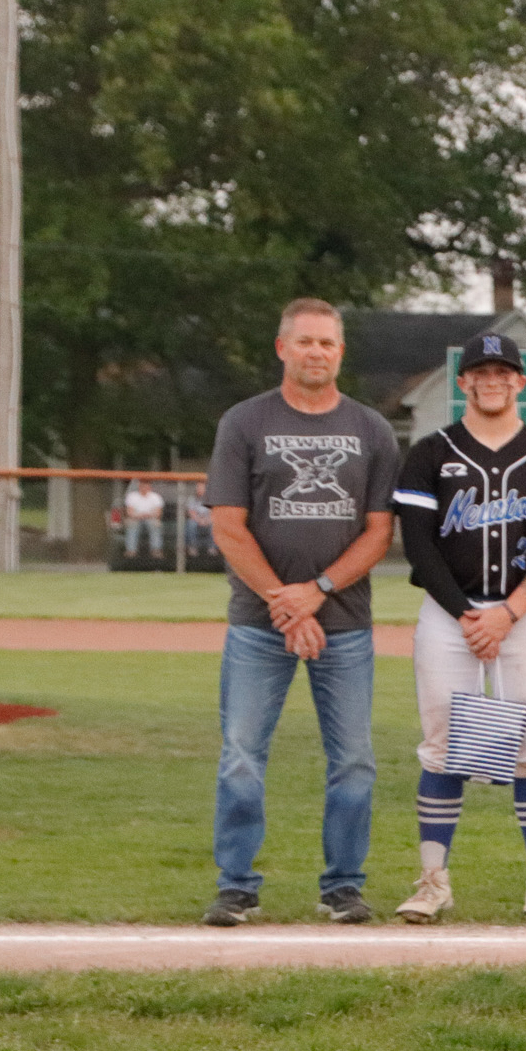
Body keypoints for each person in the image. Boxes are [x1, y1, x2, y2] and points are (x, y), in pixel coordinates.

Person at [200, 298, 400, 927]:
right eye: (306, 341)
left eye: (327, 343)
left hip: (344, 623)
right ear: (282, 348)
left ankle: (342, 886)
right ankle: (237, 886)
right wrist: (284, 604)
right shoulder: (244, 421)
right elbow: (229, 527)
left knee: (354, 761)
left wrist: (317, 590)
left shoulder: (372, 429)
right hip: (258, 624)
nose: (317, 352)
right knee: (240, 755)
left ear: (340, 352)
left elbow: (379, 532)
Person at [392, 332, 526, 924]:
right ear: (464, 381)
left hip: (524, 618)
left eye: (504, 371)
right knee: (442, 746)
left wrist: (508, 613)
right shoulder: (431, 451)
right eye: (481, 371)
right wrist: (466, 614)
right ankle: (433, 882)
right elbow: (418, 546)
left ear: (520, 381)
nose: (492, 380)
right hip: (449, 615)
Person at [122, 478, 166, 559]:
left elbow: (158, 513)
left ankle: (156, 550)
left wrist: (147, 515)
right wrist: (140, 515)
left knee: (155, 524)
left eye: (146, 485)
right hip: (135, 518)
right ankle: (131, 551)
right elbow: (129, 513)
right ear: (139, 486)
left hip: (151, 517)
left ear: (149, 487)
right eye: (142, 485)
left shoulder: (155, 497)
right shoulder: (132, 496)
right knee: (132, 524)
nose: (144, 487)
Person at [185, 483, 215, 558]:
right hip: (196, 520)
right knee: (191, 524)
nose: (200, 490)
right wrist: (199, 520)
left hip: (208, 520)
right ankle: (193, 547)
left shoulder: (211, 499)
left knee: (214, 525)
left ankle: (212, 548)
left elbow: (213, 513)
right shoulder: (192, 499)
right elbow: (191, 513)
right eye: (198, 488)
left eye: (202, 488)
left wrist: (207, 520)